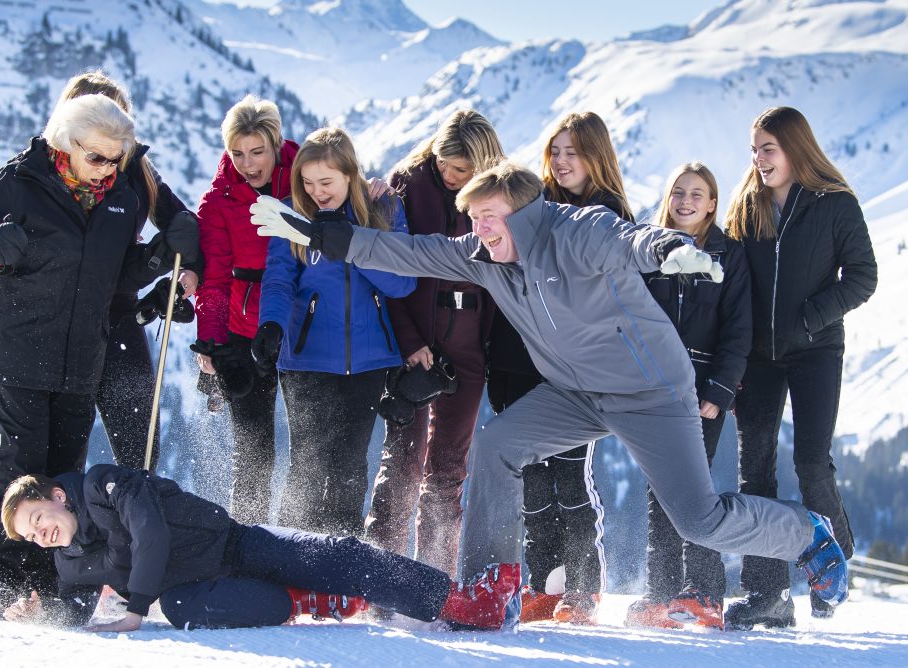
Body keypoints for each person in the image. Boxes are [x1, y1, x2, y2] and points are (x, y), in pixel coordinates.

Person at [249, 160, 851, 625]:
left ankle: (807, 534)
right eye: (474, 221)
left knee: (698, 519)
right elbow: (414, 250)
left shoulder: (577, 232)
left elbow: (631, 240)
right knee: (497, 445)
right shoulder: (486, 256)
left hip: (651, 393)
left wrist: (670, 249)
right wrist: (326, 235)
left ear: (523, 212)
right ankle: (493, 584)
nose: (478, 232)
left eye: (488, 219)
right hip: (575, 392)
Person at [0, 94, 200, 620]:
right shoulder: (21, 182)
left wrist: (156, 257)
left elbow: (115, 275)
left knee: (64, 480)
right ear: (67, 143)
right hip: (17, 353)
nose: (110, 170)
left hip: (82, 358)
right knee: (16, 469)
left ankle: (54, 591)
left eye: (118, 159)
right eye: (99, 158)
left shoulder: (122, 193)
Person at [0, 464, 521, 631]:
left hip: (236, 543)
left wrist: (135, 608)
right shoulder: (69, 562)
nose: (40, 534)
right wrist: (40, 612)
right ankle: (312, 600)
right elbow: (73, 608)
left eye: (37, 518)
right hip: (196, 587)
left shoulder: (101, 485)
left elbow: (151, 533)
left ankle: (461, 602)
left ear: (57, 497)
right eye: (30, 535)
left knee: (336, 553)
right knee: (189, 608)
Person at [723, 106, 877, 629]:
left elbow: (862, 276)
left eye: (768, 148)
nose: (759, 160)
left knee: (812, 462)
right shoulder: (748, 207)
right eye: (754, 150)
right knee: (756, 472)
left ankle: (833, 567)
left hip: (815, 350)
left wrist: (809, 319)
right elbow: (732, 279)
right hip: (757, 357)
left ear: (795, 148)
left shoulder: (835, 205)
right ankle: (767, 594)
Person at [500, 112, 635, 625]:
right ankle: (542, 583)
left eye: (572, 151)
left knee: (570, 477)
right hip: (527, 360)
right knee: (533, 480)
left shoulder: (609, 216)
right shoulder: (536, 208)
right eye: (555, 151)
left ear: (595, 156)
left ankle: (582, 586)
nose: (560, 160)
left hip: (581, 368)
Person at [252, 127, 415, 537]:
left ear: (350, 175)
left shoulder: (383, 209)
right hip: (306, 357)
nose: (316, 192)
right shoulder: (293, 214)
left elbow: (402, 283)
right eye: (307, 182)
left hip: (369, 361)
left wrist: (352, 245)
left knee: (348, 467)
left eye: (326, 182)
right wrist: (270, 324)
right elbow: (278, 278)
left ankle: (339, 568)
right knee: (307, 464)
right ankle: (293, 562)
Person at [363, 110, 504, 578]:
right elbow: (388, 269)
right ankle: (378, 578)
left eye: (462, 171)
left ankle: (433, 581)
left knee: (447, 469)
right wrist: (408, 341)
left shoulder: (500, 195)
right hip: (415, 337)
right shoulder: (407, 184)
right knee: (402, 461)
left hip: (470, 344)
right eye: (445, 164)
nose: (450, 176)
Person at [623, 162, 751, 630]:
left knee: (694, 491)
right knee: (659, 488)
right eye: (678, 191)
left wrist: (719, 390)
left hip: (702, 391)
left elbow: (739, 331)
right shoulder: (648, 248)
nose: (686, 201)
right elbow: (629, 315)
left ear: (712, 203)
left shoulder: (728, 255)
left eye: (698, 194)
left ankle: (705, 592)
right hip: (653, 387)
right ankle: (659, 593)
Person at [57, 71, 201, 472]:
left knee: (141, 448)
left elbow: (184, 224)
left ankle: (134, 531)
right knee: (64, 454)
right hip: (66, 321)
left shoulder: (137, 168)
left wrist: (188, 274)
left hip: (120, 315)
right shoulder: (53, 174)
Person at [192, 95, 299, 525]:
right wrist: (212, 345)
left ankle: (299, 544)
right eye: (237, 153)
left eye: (257, 152)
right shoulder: (218, 201)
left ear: (275, 144)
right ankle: (248, 543)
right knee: (252, 451)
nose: (247, 163)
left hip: (299, 328)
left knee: (310, 447)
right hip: (242, 331)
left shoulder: (304, 178)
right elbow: (214, 280)